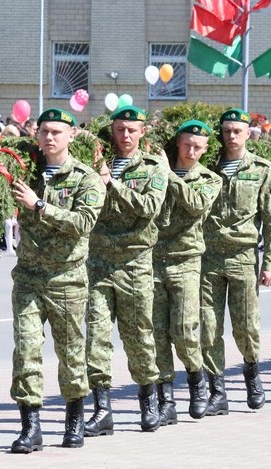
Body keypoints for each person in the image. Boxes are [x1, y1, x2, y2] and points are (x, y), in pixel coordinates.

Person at [7, 108, 105, 453]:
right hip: (29, 278)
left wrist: (39, 206)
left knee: (71, 353)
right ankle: (30, 429)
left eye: (57, 132)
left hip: (67, 280)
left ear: (71, 136)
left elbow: (83, 223)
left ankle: (74, 420)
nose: (49, 138)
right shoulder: (26, 170)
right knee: (27, 351)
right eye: (44, 131)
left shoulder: (86, 179)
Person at [86, 105, 168, 435]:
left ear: (142, 131)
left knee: (139, 339)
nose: (126, 136)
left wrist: (111, 184)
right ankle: (102, 409)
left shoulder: (152, 168)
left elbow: (149, 207)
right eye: (120, 129)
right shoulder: (93, 164)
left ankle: (149, 403)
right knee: (96, 340)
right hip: (99, 264)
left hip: (135, 264)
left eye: (132, 129)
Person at [201, 108, 271, 414]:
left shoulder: (262, 168)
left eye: (238, 131)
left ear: (248, 133)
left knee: (246, 326)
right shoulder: (208, 166)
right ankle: (216, 391)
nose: (232, 136)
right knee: (208, 327)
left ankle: (252, 376)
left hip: (243, 256)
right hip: (208, 258)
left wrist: (269, 263)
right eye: (227, 131)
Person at [152, 120, 222, 425]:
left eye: (197, 146)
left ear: (205, 149)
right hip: (153, 260)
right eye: (186, 144)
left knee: (183, 332)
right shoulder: (156, 170)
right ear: (177, 143)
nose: (191, 151)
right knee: (156, 335)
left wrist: (167, 174)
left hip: (186, 262)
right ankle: (165, 399)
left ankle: (197, 383)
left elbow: (195, 204)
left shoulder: (209, 179)